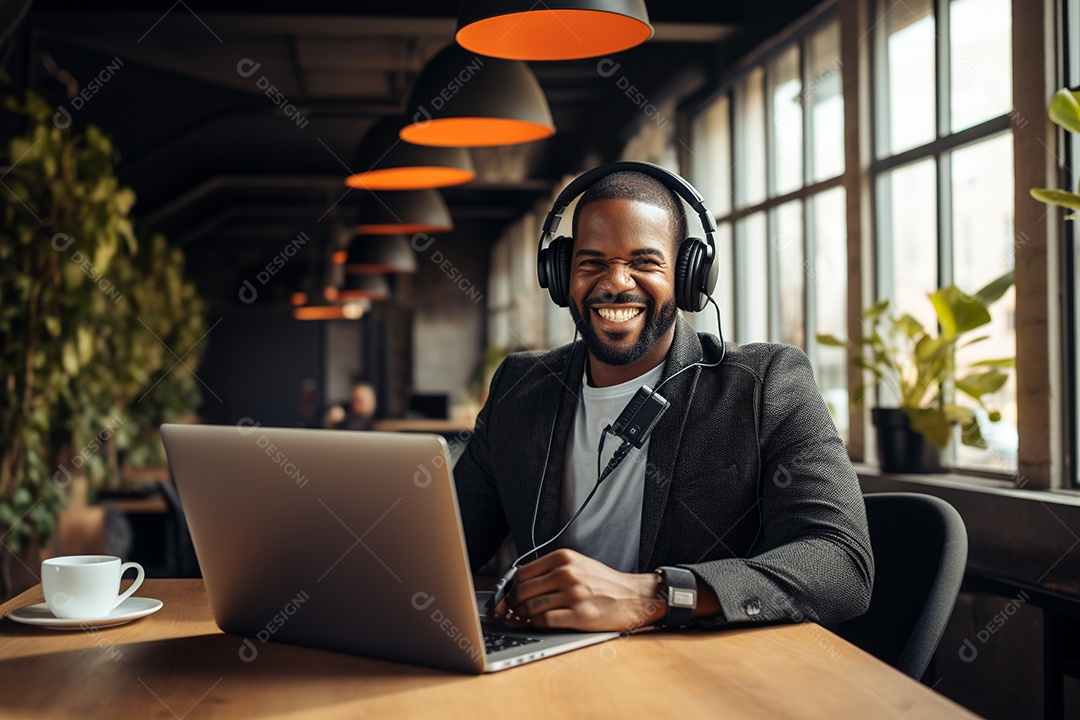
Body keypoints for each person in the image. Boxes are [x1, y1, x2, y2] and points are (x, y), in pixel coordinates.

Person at [453, 165, 873, 633]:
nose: (616, 283)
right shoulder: (520, 385)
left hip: (699, 671)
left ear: (689, 276)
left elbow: (840, 563)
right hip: (548, 664)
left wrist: (651, 595)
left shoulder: (763, 384)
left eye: (644, 263)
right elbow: (447, 544)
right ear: (559, 274)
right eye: (591, 262)